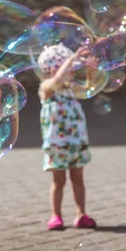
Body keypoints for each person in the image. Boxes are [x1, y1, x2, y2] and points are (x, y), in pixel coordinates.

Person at [37, 44, 98, 230]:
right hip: (57, 145)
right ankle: (56, 215)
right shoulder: (47, 88)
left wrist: (91, 71)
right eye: (71, 69)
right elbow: (56, 81)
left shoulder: (71, 89)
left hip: (76, 143)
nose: (72, 73)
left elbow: (89, 88)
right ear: (54, 69)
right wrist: (71, 59)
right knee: (59, 181)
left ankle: (81, 214)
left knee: (78, 179)